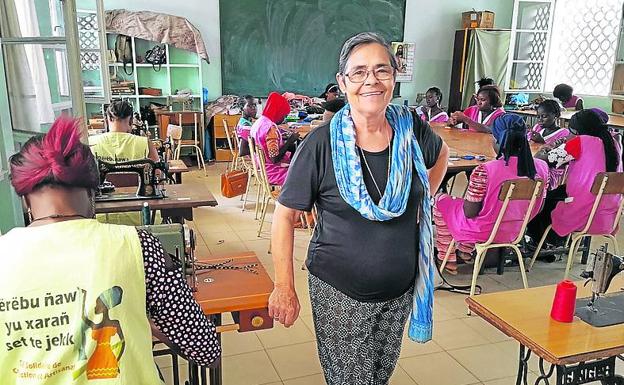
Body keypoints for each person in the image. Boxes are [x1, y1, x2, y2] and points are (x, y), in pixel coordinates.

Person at [268, 32, 449, 384]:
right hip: (340, 292)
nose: (372, 81)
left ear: (395, 77)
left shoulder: (411, 130)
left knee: (377, 378)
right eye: (359, 71)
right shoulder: (320, 145)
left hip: (398, 292)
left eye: (382, 70)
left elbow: (441, 153)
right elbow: (284, 216)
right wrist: (284, 286)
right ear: (343, 82)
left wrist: (425, 192)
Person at [0, 117, 220, 383]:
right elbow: (206, 348)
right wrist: (141, 321)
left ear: (25, 200)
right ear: (95, 190)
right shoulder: (141, 248)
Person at [434, 127, 548, 274]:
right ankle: (465, 251)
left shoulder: (485, 170)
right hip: (516, 231)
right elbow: (539, 207)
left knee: (441, 200)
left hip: (483, 231)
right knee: (474, 204)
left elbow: (469, 213)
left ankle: (447, 258)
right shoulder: (541, 167)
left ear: (500, 143)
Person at [527, 109, 622, 247]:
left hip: (583, 209)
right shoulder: (613, 143)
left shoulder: (580, 142)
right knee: (557, 194)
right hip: (608, 212)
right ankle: (557, 242)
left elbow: (543, 160)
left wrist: (546, 149)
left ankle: (542, 244)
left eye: (570, 131)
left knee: (540, 201)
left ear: (577, 131)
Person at [250, 92, 299, 186]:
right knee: (307, 175)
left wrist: (280, 139)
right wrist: (289, 141)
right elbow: (274, 159)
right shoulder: (270, 129)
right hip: (272, 172)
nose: (284, 119)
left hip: (261, 167)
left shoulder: (260, 121)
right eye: (284, 115)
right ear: (278, 112)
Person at [89, 100, 159, 163]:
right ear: (131, 121)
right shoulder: (145, 143)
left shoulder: (91, 143)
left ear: (106, 121)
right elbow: (157, 172)